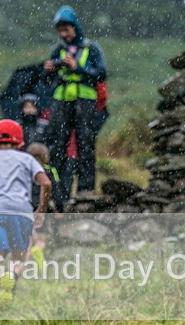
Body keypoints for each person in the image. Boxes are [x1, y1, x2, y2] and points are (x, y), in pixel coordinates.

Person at [0, 120, 52, 325]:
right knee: (21, 255)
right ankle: (13, 276)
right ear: (20, 143)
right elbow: (46, 183)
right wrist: (40, 210)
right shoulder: (26, 159)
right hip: (21, 211)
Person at [43, 5, 107, 210]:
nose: (64, 34)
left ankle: (85, 191)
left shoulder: (91, 48)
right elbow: (46, 81)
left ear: (75, 27)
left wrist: (77, 67)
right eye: (61, 31)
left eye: (67, 29)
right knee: (58, 147)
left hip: (85, 103)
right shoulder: (58, 50)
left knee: (85, 145)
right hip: (61, 103)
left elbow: (101, 73)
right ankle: (58, 193)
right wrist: (49, 70)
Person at [24, 142, 59, 274]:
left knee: (27, 241)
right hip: (42, 208)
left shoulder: (24, 171)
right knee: (41, 239)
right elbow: (56, 191)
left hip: (26, 207)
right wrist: (59, 207)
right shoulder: (49, 171)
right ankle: (39, 250)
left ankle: (22, 268)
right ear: (46, 157)